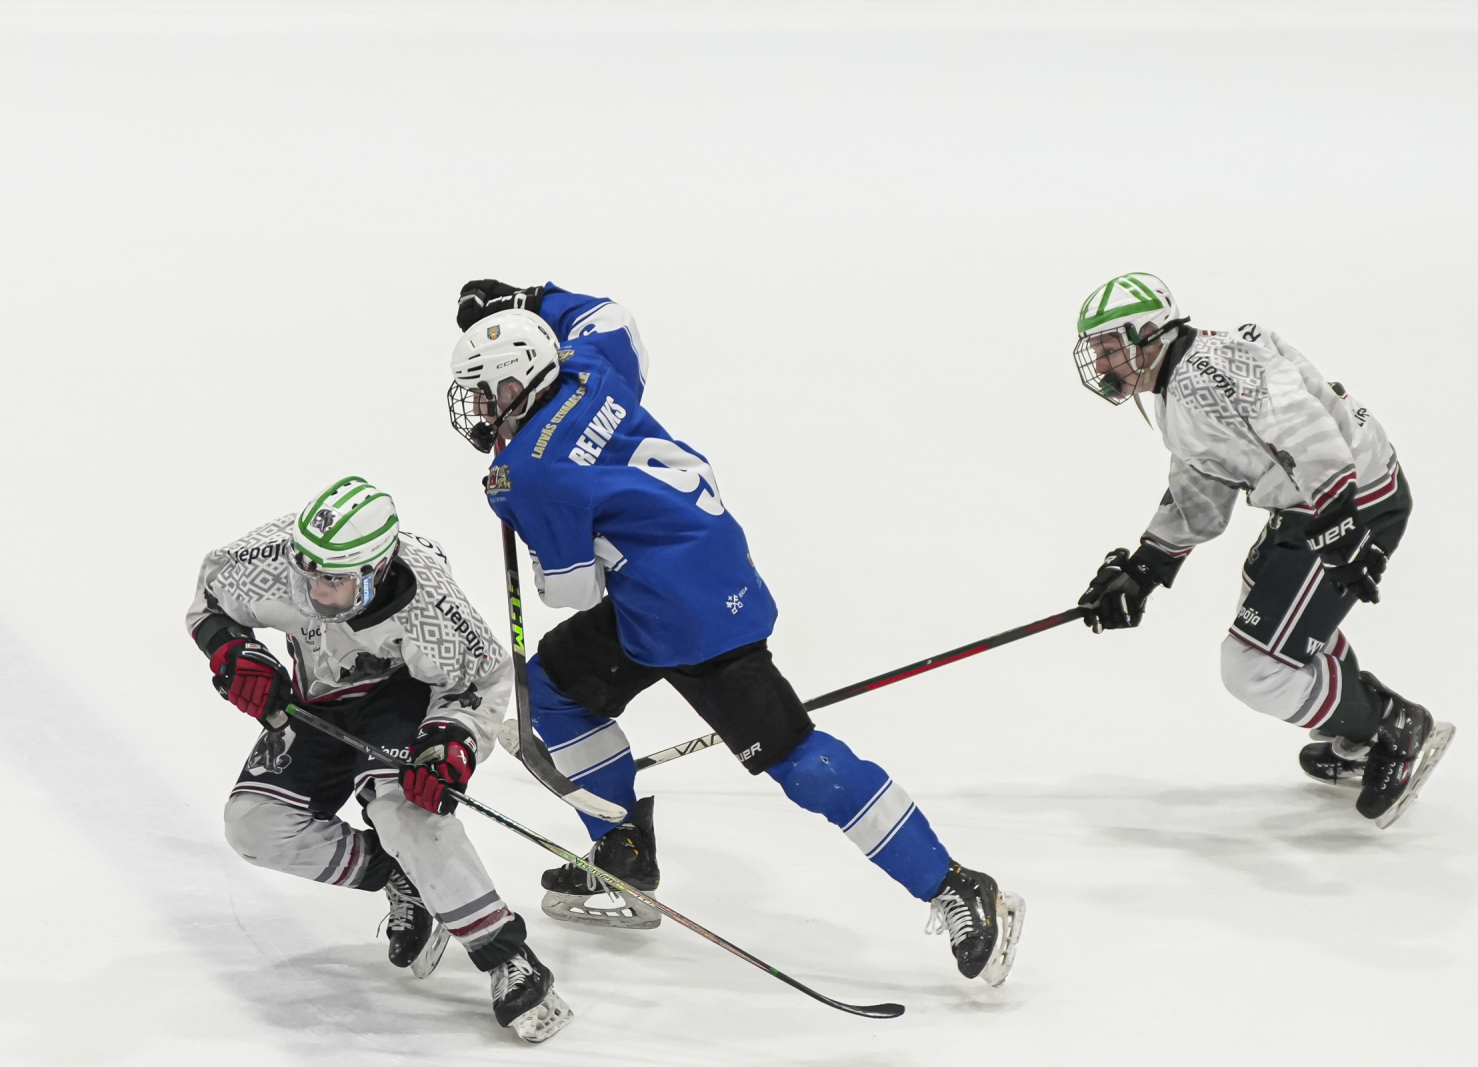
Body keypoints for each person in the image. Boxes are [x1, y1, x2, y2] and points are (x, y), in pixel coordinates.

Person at [442, 280, 1024, 986]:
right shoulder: (590, 367)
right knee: (553, 689)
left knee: (798, 760)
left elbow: (571, 591)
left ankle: (957, 884)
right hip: (697, 575)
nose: (478, 410)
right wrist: (531, 296)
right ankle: (622, 850)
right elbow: (611, 317)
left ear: (515, 385)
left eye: (484, 394)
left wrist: (532, 519)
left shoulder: (529, 472)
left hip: (685, 618)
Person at [186, 475, 571, 1042]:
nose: (317, 592)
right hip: (318, 700)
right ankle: (400, 875)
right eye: (310, 574)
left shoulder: (432, 604)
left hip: (399, 697)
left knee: (404, 812)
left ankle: (509, 958)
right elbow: (211, 598)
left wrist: (450, 742)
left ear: (377, 569)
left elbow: (481, 681)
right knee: (255, 826)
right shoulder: (271, 559)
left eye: (334, 581)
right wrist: (233, 651)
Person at [1070, 273, 1455, 827]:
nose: (1102, 363)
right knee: (1272, 633)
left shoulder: (1212, 370)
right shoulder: (1179, 384)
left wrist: (1339, 521)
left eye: (1110, 346)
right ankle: (1361, 729)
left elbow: (1303, 425)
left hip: (1351, 502)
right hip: (1310, 504)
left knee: (1254, 668)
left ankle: (1392, 727)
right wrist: (1147, 566)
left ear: (1150, 333)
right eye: (1097, 350)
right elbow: (1202, 480)